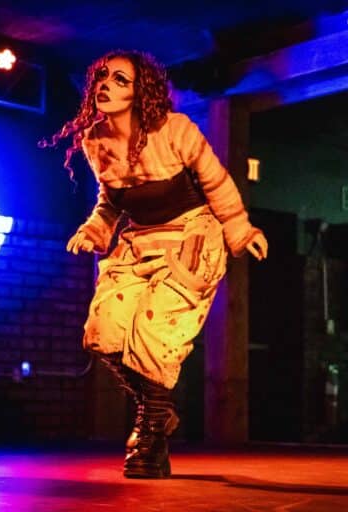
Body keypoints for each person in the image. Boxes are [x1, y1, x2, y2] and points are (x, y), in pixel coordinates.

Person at [39, 50, 268, 479]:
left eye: (120, 79)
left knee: (153, 334)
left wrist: (240, 229)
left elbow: (216, 182)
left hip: (190, 239)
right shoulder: (95, 141)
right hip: (139, 242)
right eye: (101, 76)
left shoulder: (175, 130)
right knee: (103, 331)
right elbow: (110, 200)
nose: (105, 84)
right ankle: (157, 410)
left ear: (140, 90)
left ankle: (150, 436)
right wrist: (94, 229)